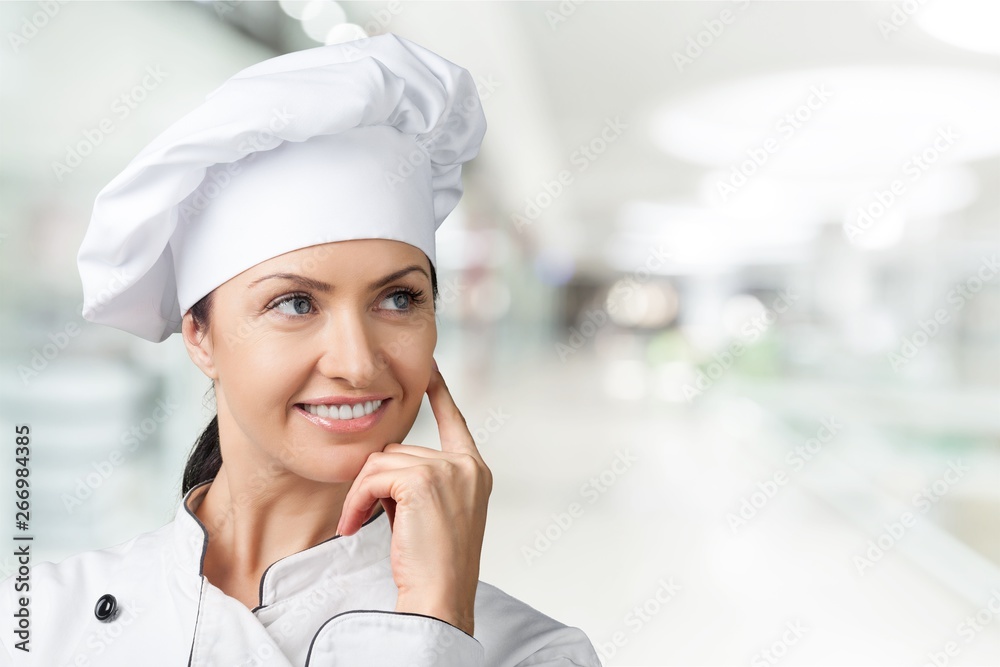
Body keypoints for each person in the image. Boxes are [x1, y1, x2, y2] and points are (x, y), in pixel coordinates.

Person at [0, 32, 601, 666]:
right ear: (199, 334)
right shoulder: (40, 620)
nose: (356, 362)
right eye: (296, 304)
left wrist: (436, 624)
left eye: (398, 299)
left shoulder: (531, 653)